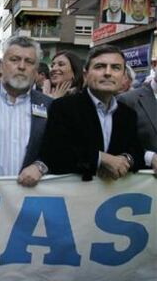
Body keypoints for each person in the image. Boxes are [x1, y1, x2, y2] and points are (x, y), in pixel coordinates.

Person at [40, 45, 144, 181]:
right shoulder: (63, 107)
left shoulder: (128, 114)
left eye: (116, 68)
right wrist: (101, 158)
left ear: (124, 76)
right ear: (85, 74)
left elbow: (137, 151)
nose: (108, 73)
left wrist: (127, 159)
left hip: (114, 199)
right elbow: (55, 154)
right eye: (100, 66)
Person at [0, 36, 52, 187]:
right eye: (14, 59)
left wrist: (40, 166)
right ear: (2, 65)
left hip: (30, 199)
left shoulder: (49, 106)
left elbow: (55, 149)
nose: (21, 66)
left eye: (29, 62)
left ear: (36, 70)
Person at [119, 72, 157, 175]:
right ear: (154, 65)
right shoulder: (128, 100)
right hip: (146, 185)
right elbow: (117, 145)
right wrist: (149, 157)